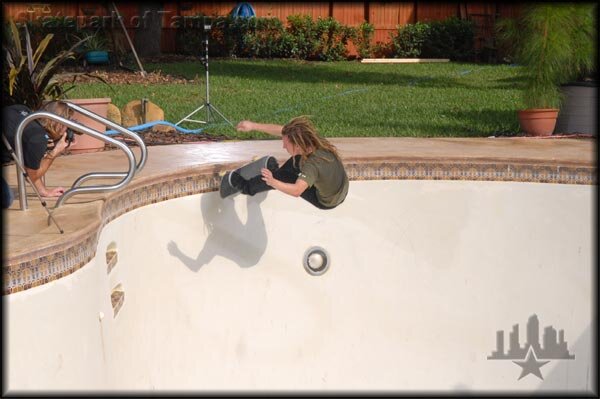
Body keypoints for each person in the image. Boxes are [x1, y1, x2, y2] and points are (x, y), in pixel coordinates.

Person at [233, 116, 349, 210]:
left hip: (327, 201)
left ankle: (245, 186)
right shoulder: (311, 140)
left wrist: (273, 182)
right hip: (340, 188)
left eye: (286, 144)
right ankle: (276, 172)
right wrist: (253, 126)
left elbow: (296, 190)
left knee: (282, 177)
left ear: (297, 145)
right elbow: (282, 131)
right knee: (295, 162)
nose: (283, 147)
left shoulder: (312, 165)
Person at [1, 101, 74, 207]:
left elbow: (31, 167)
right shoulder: (37, 138)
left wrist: (44, 192)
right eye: (66, 124)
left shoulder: (23, 111)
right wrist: (55, 152)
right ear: (58, 124)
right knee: (7, 198)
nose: (67, 129)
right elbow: (30, 176)